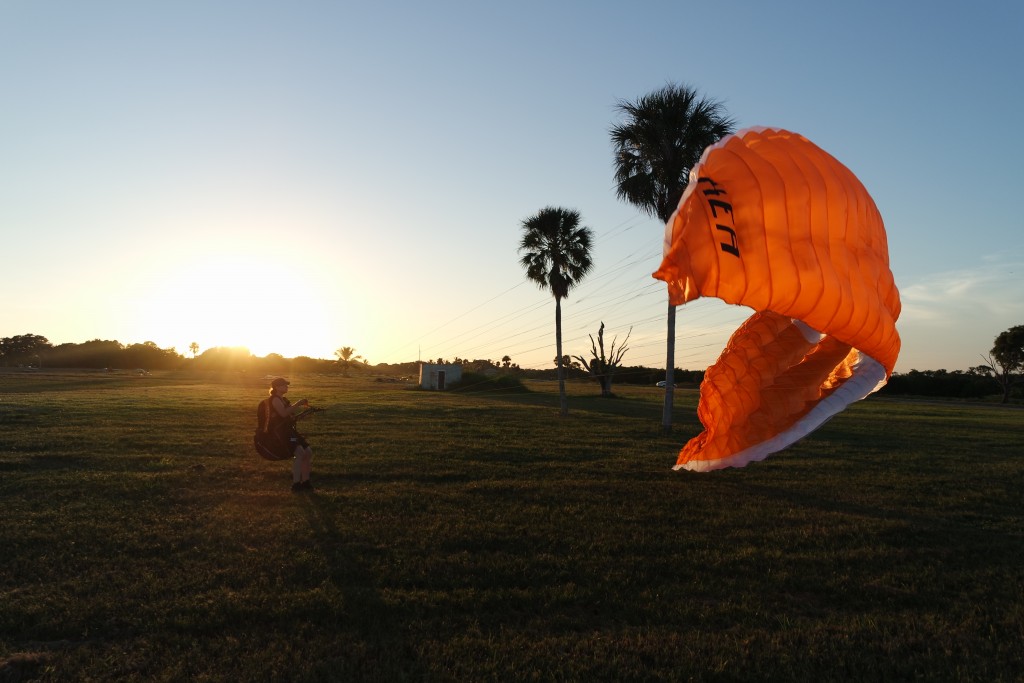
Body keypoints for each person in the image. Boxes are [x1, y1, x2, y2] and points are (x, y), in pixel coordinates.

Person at [266, 377, 315, 492]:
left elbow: (289, 416)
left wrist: (304, 413)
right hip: (281, 432)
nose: (287, 387)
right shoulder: (274, 399)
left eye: (286, 385)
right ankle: (296, 484)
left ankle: (306, 482)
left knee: (308, 452)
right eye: (284, 385)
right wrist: (298, 403)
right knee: (300, 453)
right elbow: (283, 414)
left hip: (289, 430)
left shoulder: (283, 399)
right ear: (277, 387)